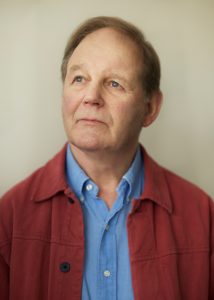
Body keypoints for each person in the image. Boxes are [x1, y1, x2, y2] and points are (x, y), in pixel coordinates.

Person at [0, 16, 213, 300]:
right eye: (79, 78)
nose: (91, 96)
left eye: (114, 83)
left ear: (150, 107)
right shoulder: (10, 216)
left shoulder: (202, 216)